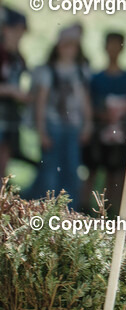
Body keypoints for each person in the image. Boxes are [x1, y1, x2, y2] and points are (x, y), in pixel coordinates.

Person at [23, 25, 92, 209]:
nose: (69, 50)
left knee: (71, 169)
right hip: (53, 126)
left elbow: (85, 101)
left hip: (73, 127)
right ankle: (44, 209)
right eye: (65, 45)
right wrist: (42, 131)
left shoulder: (80, 71)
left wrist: (88, 124)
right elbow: (40, 104)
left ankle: (70, 211)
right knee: (50, 171)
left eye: (73, 46)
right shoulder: (47, 71)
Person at [81, 31, 126, 210]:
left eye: (116, 45)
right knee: (92, 170)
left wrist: (121, 110)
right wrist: (103, 115)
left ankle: (112, 212)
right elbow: (89, 104)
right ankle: (84, 210)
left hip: (121, 132)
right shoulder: (96, 78)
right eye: (110, 44)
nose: (113, 49)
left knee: (116, 173)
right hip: (98, 131)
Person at [0, 11, 29, 177]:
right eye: (15, 30)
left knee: (4, 161)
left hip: (11, 116)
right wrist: (11, 91)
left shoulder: (17, 57)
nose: (19, 35)